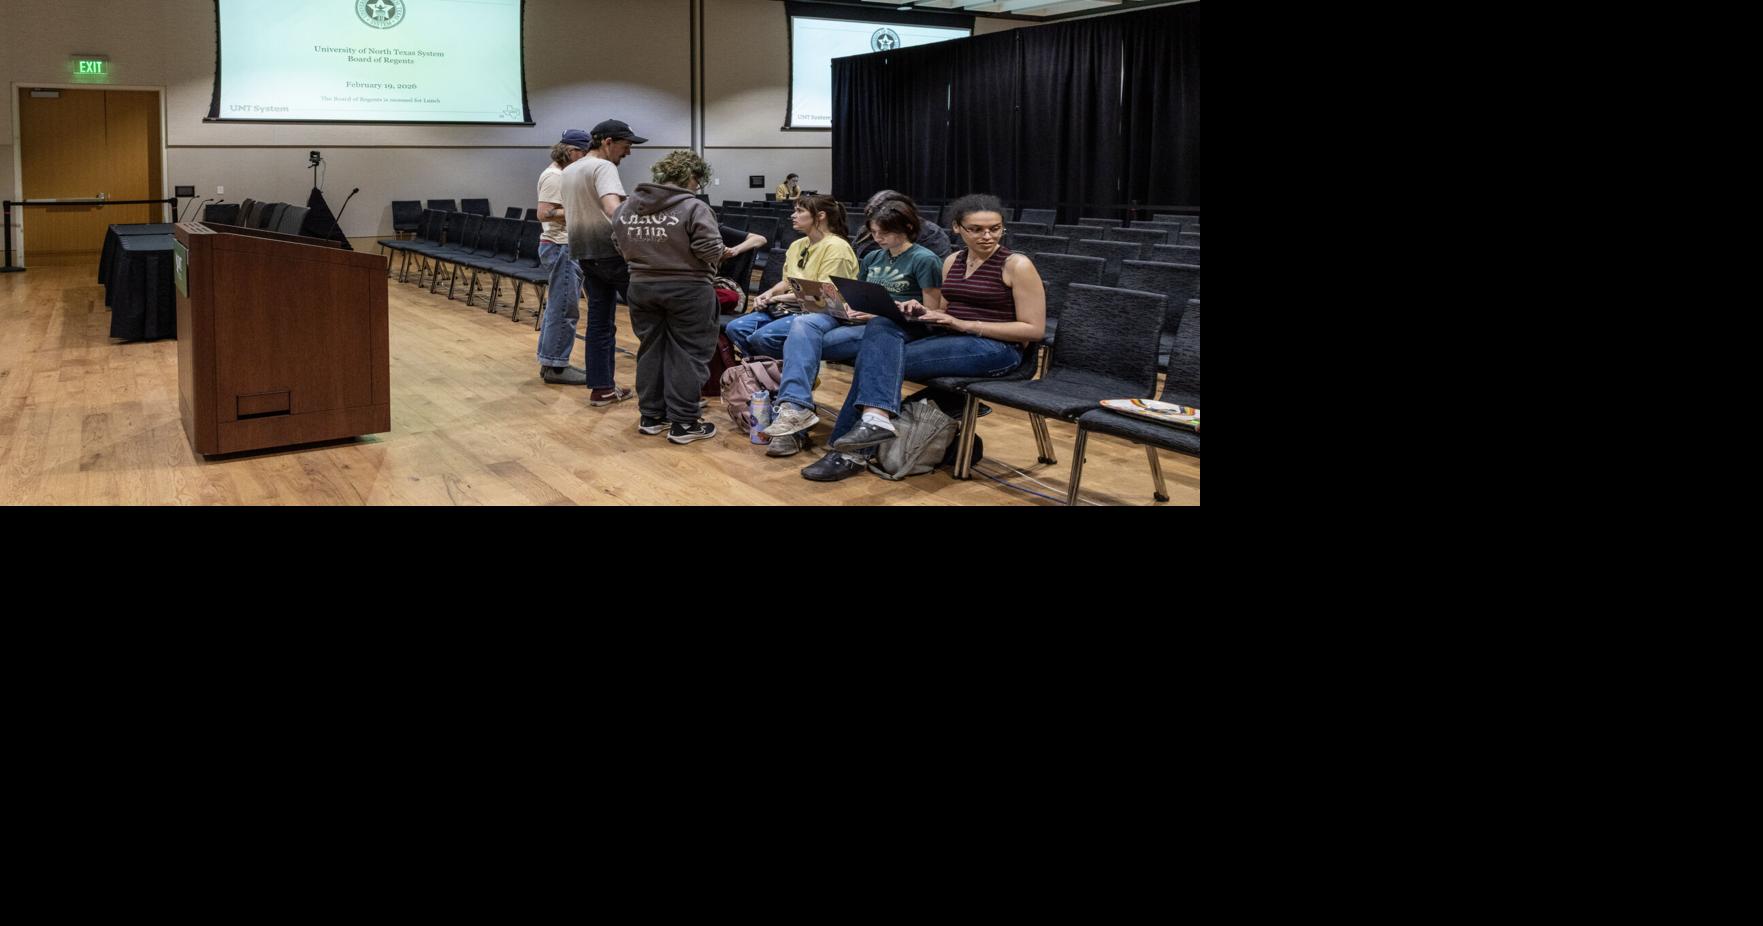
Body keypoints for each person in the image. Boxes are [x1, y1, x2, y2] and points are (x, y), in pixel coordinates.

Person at [786, 193, 1046, 482]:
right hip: (953, 337)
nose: (987, 236)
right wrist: (919, 310)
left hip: (998, 349)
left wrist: (964, 324)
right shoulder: (953, 262)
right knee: (883, 324)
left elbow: (1033, 330)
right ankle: (873, 420)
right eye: (976, 229)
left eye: (995, 228)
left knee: (877, 362)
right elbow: (944, 312)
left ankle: (850, 449)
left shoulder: (1016, 265)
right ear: (958, 228)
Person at [760, 199, 944, 461]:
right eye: (874, 232)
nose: (878, 238)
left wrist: (879, 311)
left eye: (885, 232)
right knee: (803, 324)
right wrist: (846, 308)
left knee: (802, 346)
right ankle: (795, 407)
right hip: (860, 320)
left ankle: (797, 416)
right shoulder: (872, 257)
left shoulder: (925, 259)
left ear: (906, 228)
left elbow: (930, 312)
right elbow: (858, 295)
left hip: (894, 328)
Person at [721, 194, 858, 456]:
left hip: (823, 313)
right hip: (790, 308)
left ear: (820, 216)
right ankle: (770, 387)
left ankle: (789, 402)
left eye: (799, 211)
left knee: (764, 337)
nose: (793, 216)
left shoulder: (836, 247)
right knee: (737, 328)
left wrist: (779, 297)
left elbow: (824, 294)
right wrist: (769, 293)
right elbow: (787, 281)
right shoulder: (798, 245)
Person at [611, 150, 729, 444]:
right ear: (691, 177)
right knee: (688, 353)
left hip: (640, 287)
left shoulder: (626, 207)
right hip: (688, 289)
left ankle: (652, 416)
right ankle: (685, 423)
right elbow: (710, 249)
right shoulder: (693, 207)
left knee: (651, 349)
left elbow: (617, 242)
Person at [559, 118, 647, 407]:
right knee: (650, 322)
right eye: (626, 146)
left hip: (585, 253)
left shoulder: (571, 169)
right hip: (614, 256)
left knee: (599, 323)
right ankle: (658, 392)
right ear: (608, 142)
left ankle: (602, 389)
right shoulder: (603, 167)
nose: (629, 153)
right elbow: (613, 208)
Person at [536, 131, 592, 384]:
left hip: (563, 246)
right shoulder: (555, 176)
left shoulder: (562, 174)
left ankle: (549, 360)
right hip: (561, 246)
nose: (585, 159)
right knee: (565, 308)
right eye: (583, 153)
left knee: (559, 306)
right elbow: (545, 213)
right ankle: (556, 367)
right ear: (571, 152)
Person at [851, 190, 951, 260]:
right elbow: (854, 255)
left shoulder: (931, 233)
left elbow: (937, 269)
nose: (877, 237)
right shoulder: (867, 229)